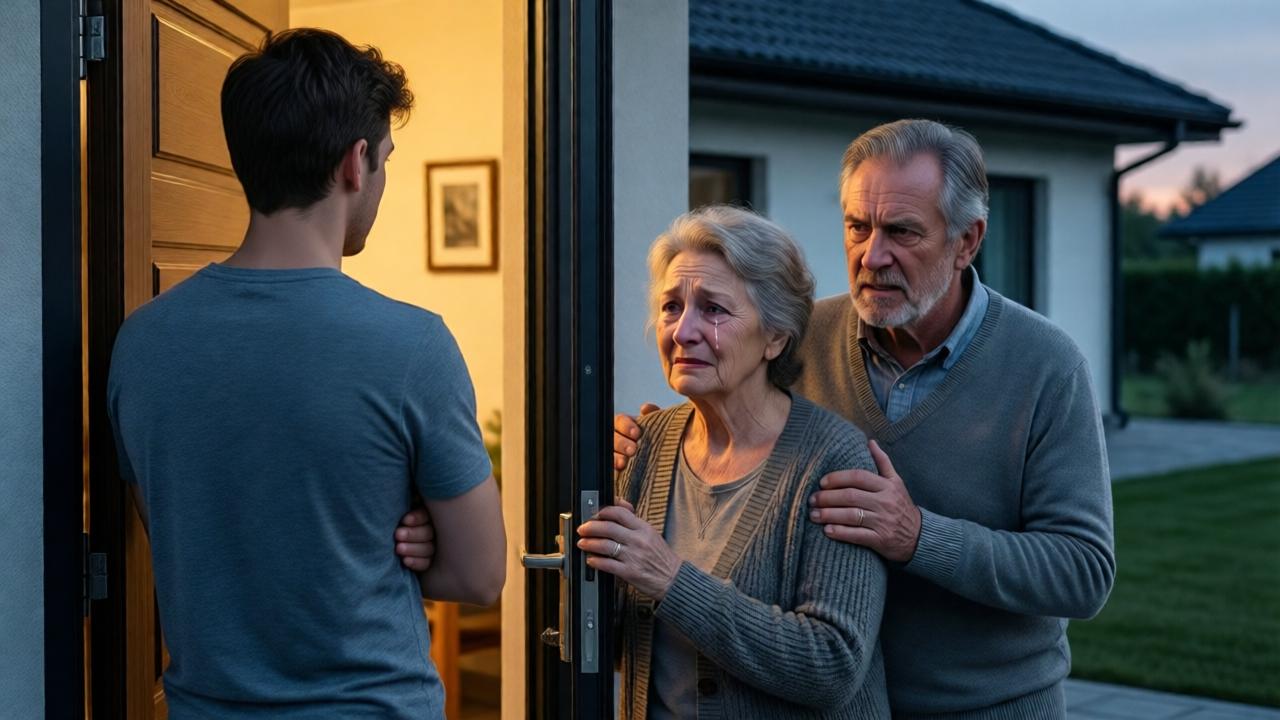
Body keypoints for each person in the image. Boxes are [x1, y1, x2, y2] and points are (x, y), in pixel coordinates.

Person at [607, 120, 1115, 718]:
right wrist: (659, 438)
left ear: (967, 241)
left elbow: (1083, 571)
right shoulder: (802, 335)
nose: (873, 256)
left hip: (985, 706)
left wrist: (918, 537)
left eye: (902, 232)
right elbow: (735, 412)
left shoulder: (1046, 366)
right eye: (858, 228)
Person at [108, 28, 505, 719]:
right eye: (384, 160)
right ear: (356, 164)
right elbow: (479, 576)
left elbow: (180, 532)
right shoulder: (413, 346)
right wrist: (417, 540)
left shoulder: (142, 343)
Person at [581, 206, 888, 718]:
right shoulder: (646, 444)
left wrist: (670, 579)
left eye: (714, 310)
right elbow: (613, 642)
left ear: (775, 336)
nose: (682, 332)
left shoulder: (832, 460)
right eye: (671, 307)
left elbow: (832, 666)